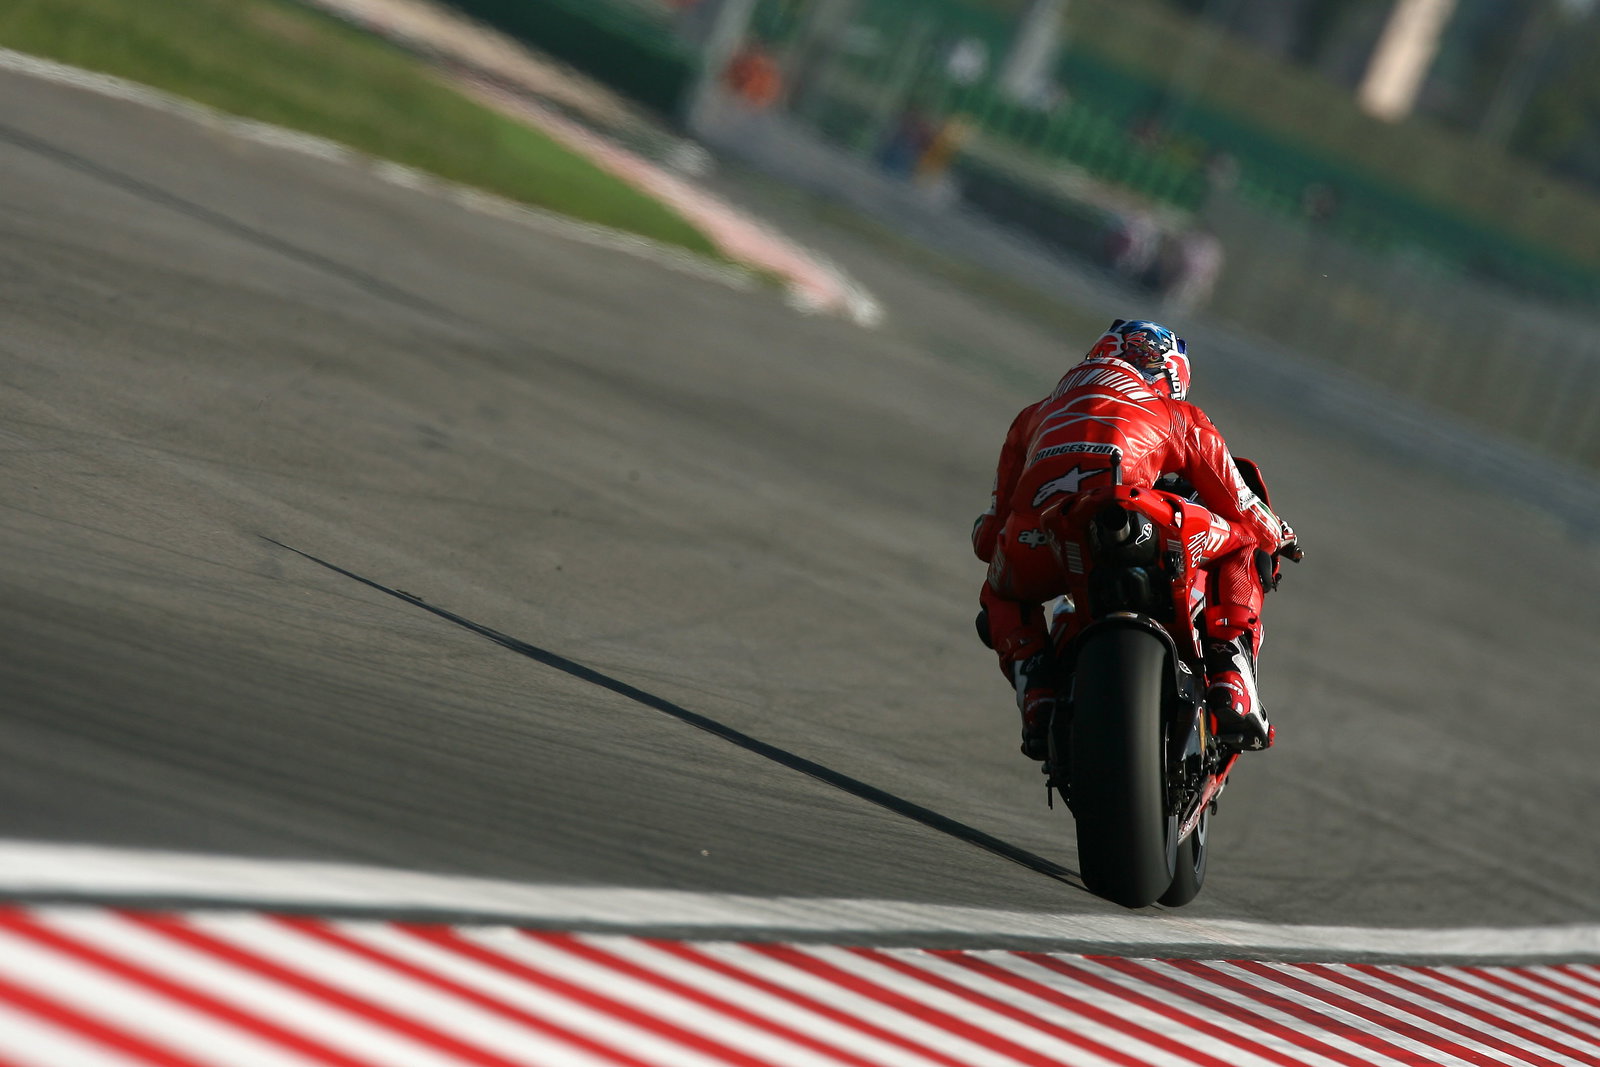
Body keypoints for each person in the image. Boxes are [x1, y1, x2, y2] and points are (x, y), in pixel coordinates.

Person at [972, 319, 1298, 759]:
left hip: (1043, 532)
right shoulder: (1175, 415)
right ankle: (1231, 675)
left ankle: (1036, 688)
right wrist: (1281, 536)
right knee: (1244, 540)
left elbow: (988, 535)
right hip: (1138, 512)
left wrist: (994, 536)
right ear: (1172, 376)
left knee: (999, 593)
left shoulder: (1034, 415)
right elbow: (1243, 506)